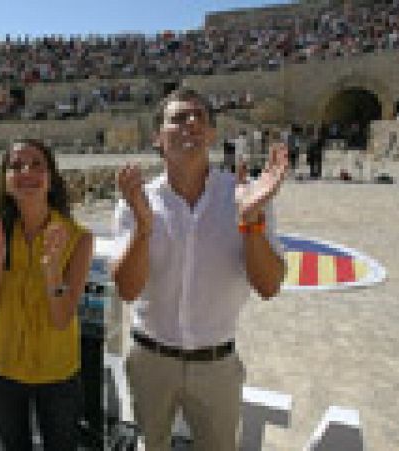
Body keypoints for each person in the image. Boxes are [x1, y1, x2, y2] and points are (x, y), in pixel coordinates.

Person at [112, 89, 287, 451]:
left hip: (216, 365)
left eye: (200, 118)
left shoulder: (245, 195)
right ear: (157, 138)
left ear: (211, 135)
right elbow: (127, 290)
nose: (190, 123)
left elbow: (269, 286)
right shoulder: (137, 202)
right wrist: (144, 226)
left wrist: (250, 220)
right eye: (178, 118)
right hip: (150, 362)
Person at [0, 138, 94, 451]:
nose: (26, 171)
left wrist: (53, 270)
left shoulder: (79, 239)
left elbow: (61, 318)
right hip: (2, 370)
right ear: (5, 179)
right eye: (16, 166)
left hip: (57, 373)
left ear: (51, 177)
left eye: (36, 164)